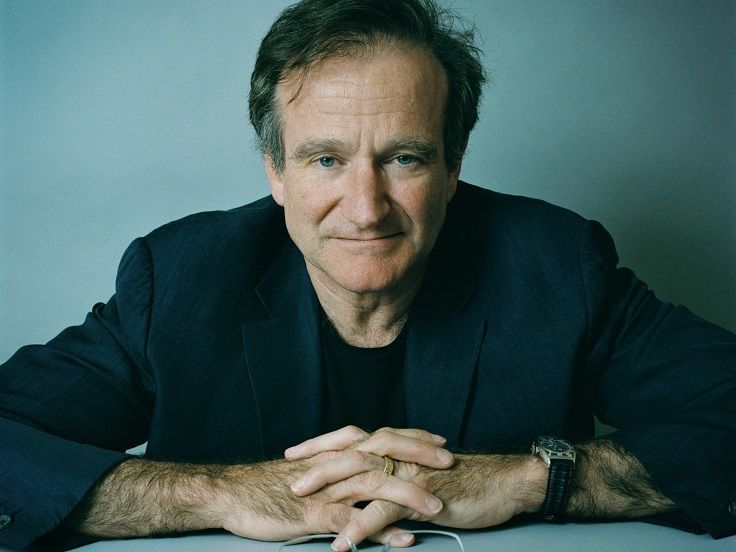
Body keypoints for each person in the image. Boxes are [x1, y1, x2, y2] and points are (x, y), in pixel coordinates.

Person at [1, 0, 735, 550]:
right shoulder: (180, 280)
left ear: (453, 165)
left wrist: (528, 480)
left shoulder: (556, 265)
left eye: (403, 158)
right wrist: (219, 494)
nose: (365, 207)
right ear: (275, 171)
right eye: (325, 159)